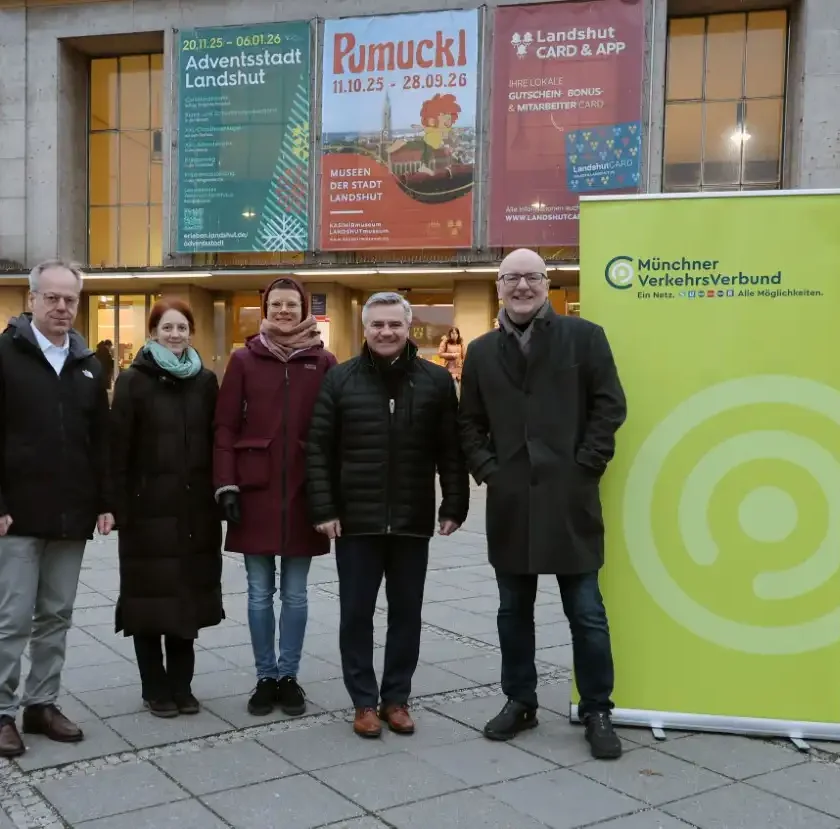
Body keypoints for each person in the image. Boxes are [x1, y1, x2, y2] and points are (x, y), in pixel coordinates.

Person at [458, 248, 627, 760]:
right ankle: (521, 701)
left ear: (547, 282)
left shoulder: (584, 336)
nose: (522, 286)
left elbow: (610, 404)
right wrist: (489, 469)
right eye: (512, 278)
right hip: (511, 502)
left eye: (532, 276)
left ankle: (597, 708)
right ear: (499, 286)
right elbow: (468, 422)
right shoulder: (483, 351)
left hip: (569, 499)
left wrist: (587, 464)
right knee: (513, 612)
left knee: (587, 613)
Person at [306, 292, 470, 739]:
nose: (385, 332)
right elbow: (317, 449)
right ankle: (363, 701)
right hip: (355, 522)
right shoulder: (340, 380)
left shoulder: (436, 382)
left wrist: (454, 504)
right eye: (377, 324)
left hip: (412, 520)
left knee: (406, 614)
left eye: (394, 324)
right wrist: (324, 508)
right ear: (365, 329)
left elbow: (450, 452)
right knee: (356, 614)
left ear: (408, 326)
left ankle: (396, 698)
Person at [0, 259, 113, 758]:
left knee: (57, 614)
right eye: (52, 297)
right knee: (12, 619)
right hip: (15, 515)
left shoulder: (89, 363)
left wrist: (106, 501)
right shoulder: (4, 354)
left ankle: (41, 704)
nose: (62, 307)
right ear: (32, 300)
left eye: (70, 298)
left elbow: (100, 440)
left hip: (72, 513)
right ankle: (2, 710)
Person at [214, 278, 336, 718]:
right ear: (265, 307)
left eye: (292, 304)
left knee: (298, 595)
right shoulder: (244, 359)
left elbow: (333, 433)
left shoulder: (322, 361)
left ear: (305, 309)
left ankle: (290, 676)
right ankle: (265, 676)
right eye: (277, 304)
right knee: (259, 592)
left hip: (305, 490)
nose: (284, 311)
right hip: (255, 489)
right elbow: (225, 427)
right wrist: (225, 483)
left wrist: (331, 497)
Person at [110, 299, 224, 718]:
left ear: (190, 333)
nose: (175, 335)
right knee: (147, 601)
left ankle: (183, 685)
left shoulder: (205, 381)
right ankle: (155, 687)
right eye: (167, 328)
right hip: (147, 512)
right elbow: (117, 448)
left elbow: (217, 442)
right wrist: (118, 506)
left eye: (182, 328)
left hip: (195, 512)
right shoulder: (133, 381)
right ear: (154, 331)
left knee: (186, 598)